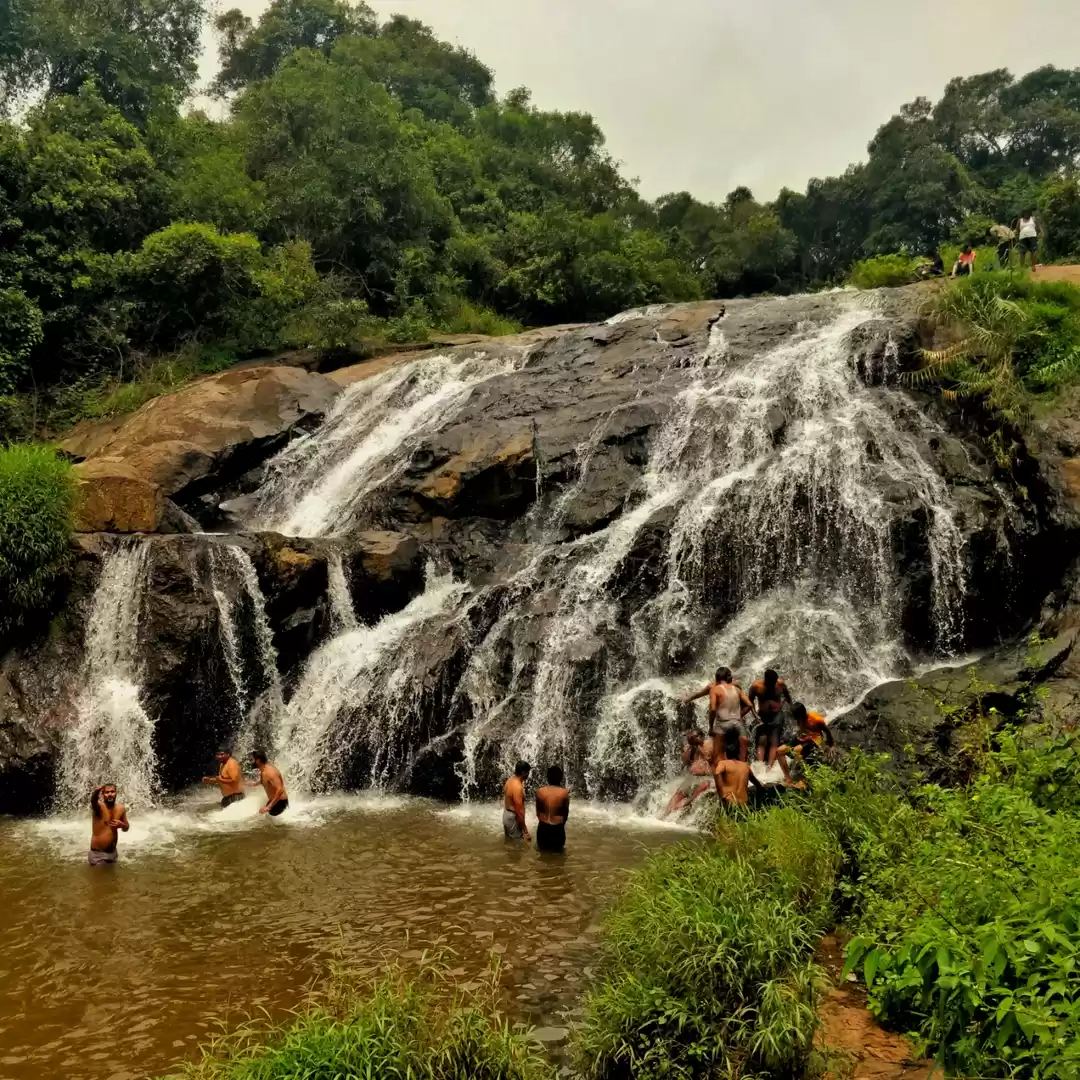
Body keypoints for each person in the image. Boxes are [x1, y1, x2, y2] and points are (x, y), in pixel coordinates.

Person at [682, 666, 756, 760]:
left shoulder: (714, 687)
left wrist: (710, 726)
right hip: (735, 720)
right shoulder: (733, 686)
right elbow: (748, 703)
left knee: (721, 750)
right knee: (734, 745)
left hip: (723, 721)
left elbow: (705, 701)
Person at [748, 669, 792, 769]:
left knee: (774, 740)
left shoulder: (780, 684)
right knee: (762, 740)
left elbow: (787, 696)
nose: (773, 684)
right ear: (766, 679)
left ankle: (770, 767)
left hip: (777, 715)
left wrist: (790, 706)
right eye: (771, 682)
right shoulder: (756, 686)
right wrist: (756, 716)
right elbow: (750, 702)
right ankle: (759, 767)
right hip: (763, 716)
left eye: (774, 681)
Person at [664, 729, 714, 815]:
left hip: (704, 777)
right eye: (690, 738)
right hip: (691, 777)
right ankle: (665, 815)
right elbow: (685, 759)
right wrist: (690, 747)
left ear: (701, 736)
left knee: (692, 798)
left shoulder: (710, 743)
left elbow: (708, 758)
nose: (692, 740)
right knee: (678, 793)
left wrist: (698, 747)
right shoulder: (691, 747)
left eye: (694, 737)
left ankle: (677, 809)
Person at [714, 731, 765, 807]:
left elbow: (717, 773)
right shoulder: (745, 765)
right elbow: (759, 786)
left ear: (725, 754)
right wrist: (758, 801)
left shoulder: (723, 763)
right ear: (738, 753)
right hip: (743, 804)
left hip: (729, 801)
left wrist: (722, 794)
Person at [89, 784, 129, 866]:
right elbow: (93, 801)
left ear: (116, 793)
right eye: (107, 792)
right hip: (98, 856)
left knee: (113, 878)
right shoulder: (99, 807)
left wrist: (122, 825)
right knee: (100, 878)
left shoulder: (121, 808)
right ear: (102, 794)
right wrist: (96, 792)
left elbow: (126, 828)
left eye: (112, 791)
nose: (110, 794)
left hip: (113, 853)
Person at [535, 765, 570, 853]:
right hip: (557, 828)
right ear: (561, 778)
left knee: (542, 855)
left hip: (543, 827)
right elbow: (565, 813)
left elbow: (538, 811)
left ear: (548, 777)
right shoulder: (564, 793)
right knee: (559, 856)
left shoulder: (540, 791)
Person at [250, 750, 288, 816]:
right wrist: (251, 784)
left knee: (262, 819)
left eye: (253, 759)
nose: (251, 762)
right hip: (274, 801)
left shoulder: (269, 772)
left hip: (281, 802)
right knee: (261, 817)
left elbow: (280, 789)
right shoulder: (263, 770)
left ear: (258, 761)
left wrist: (269, 806)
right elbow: (263, 781)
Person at [503, 761, 531, 842]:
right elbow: (519, 811)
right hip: (513, 818)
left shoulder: (510, 780)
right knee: (517, 845)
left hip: (506, 815)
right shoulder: (517, 787)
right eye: (528, 772)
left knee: (509, 843)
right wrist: (526, 831)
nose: (529, 774)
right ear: (523, 772)